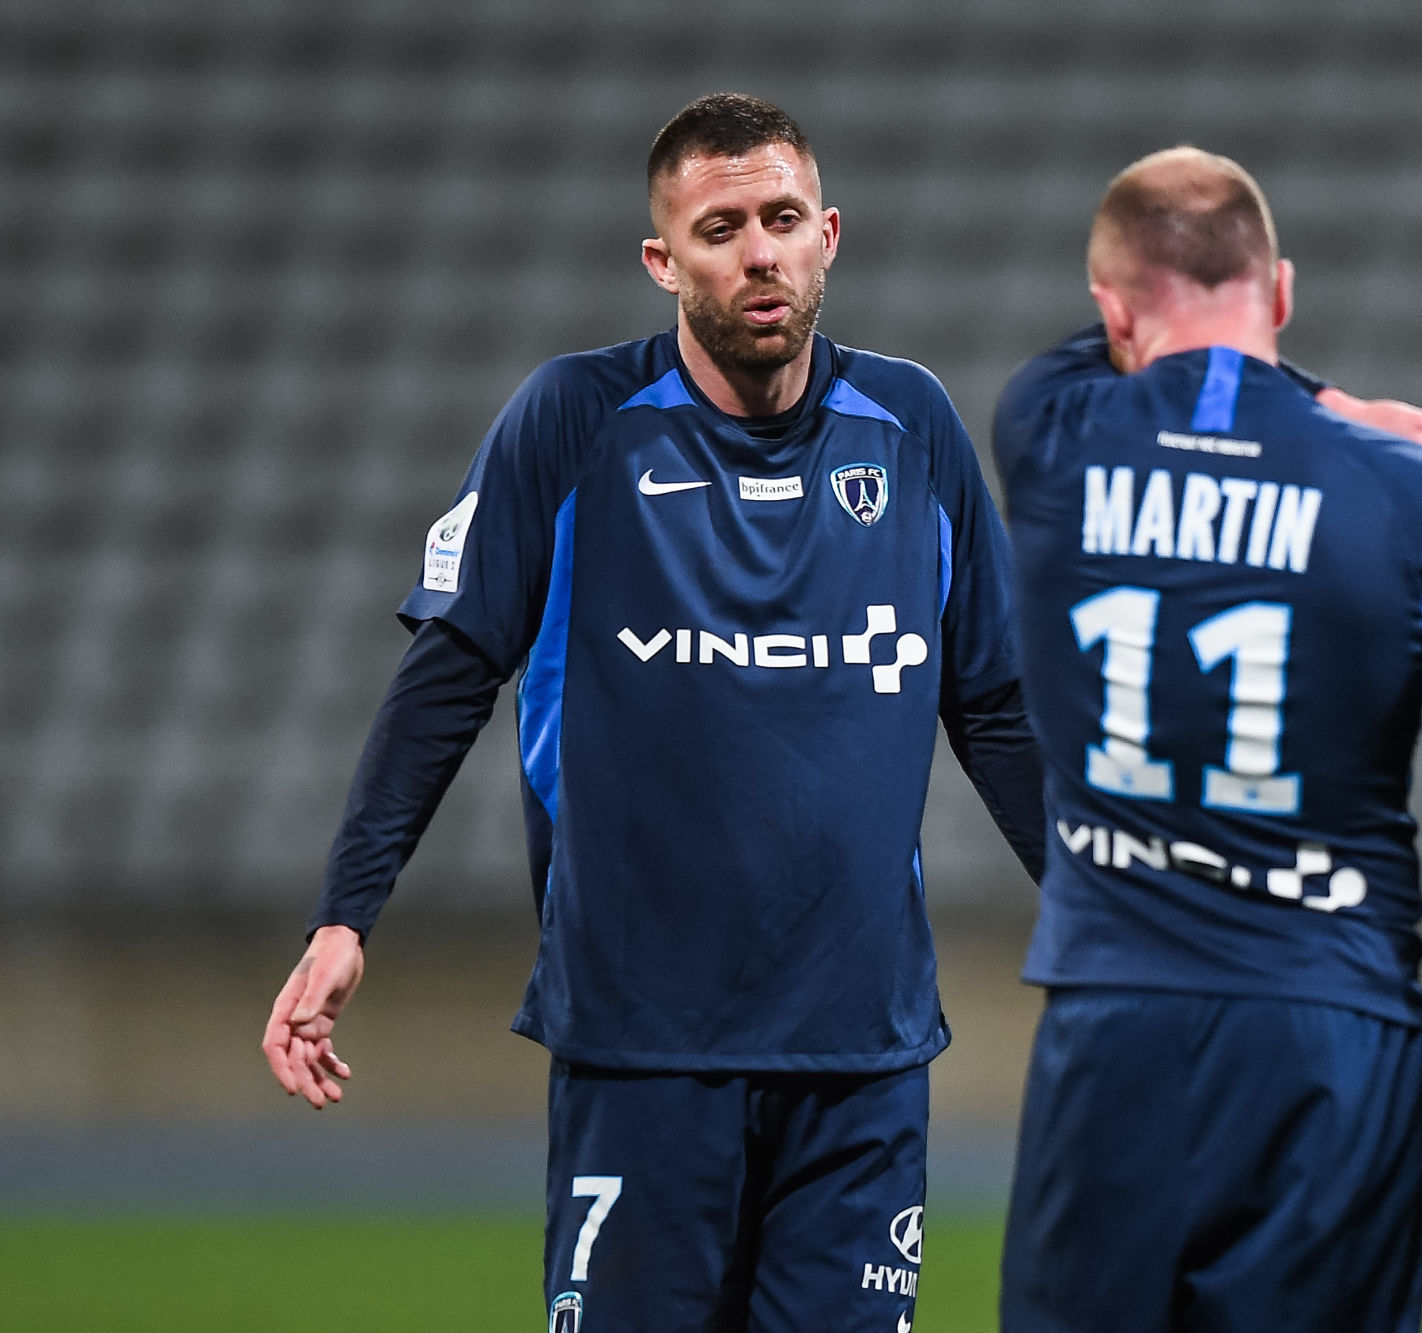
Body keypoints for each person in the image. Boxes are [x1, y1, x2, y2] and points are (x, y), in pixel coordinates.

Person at [259, 93, 1048, 1331]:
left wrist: (1103, 925)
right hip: (642, 1043)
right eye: (720, 226)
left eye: (781, 218)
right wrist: (346, 912)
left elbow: (996, 707)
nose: (758, 252)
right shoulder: (572, 426)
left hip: (863, 1052)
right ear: (662, 259)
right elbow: (448, 674)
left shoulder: (914, 433)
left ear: (828, 233)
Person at [991, 148, 1422, 1330]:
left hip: (1112, 1025)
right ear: (1284, 292)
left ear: (1112, 310)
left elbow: (1109, 358)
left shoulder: (1046, 440)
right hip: (1330, 1035)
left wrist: (1298, 392)